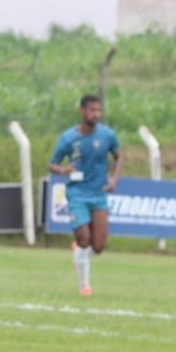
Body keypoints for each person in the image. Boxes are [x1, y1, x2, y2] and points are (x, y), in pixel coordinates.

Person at [49, 94, 121, 296]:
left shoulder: (107, 135)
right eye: (92, 110)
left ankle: (79, 254)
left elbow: (118, 156)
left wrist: (114, 179)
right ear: (82, 111)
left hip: (98, 194)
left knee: (98, 246)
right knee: (83, 238)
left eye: (99, 110)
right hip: (77, 194)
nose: (96, 114)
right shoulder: (68, 138)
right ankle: (84, 286)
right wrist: (63, 170)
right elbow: (52, 163)